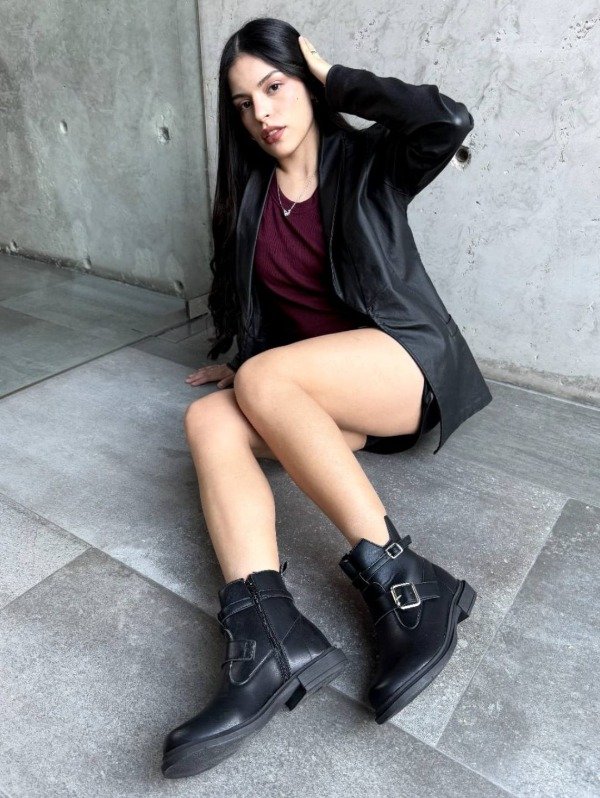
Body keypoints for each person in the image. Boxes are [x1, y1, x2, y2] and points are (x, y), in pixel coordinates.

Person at [161, 16, 490, 779]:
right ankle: (268, 634)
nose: (263, 112)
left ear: (306, 83)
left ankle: (409, 583)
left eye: (275, 86)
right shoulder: (249, 197)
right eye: (244, 102)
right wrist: (239, 360)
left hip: (404, 368)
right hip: (316, 391)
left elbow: (447, 120)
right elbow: (261, 310)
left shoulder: (369, 161)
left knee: (263, 378)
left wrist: (339, 78)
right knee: (208, 418)